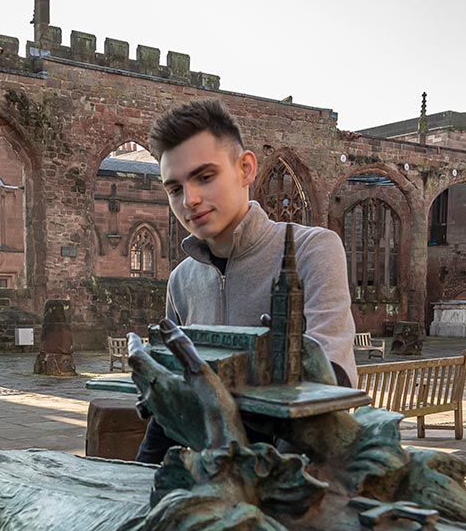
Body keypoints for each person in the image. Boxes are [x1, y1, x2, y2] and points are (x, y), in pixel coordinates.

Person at [136, 99, 357, 464]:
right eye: (174, 188)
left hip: (300, 475)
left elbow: (331, 379)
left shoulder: (313, 250)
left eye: (205, 177)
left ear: (245, 169)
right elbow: (175, 397)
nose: (190, 199)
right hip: (215, 475)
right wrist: (136, 476)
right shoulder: (181, 280)